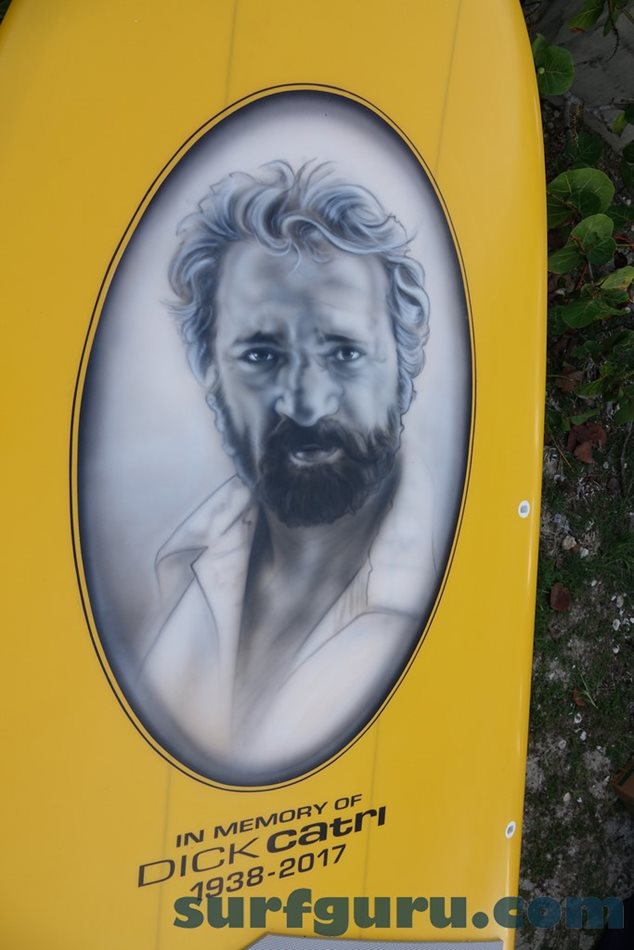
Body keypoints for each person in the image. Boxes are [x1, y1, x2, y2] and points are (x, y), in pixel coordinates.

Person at [133, 161, 437, 783]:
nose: (306, 402)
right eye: (261, 354)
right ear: (211, 371)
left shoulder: (449, 592)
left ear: (404, 365)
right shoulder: (182, 566)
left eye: (345, 351)